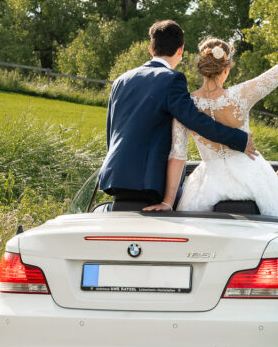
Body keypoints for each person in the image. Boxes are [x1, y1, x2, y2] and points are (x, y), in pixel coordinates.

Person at [164, 10, 278, 217]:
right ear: (226, 69)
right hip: (252, 179)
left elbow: (177, 156)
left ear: (201, 68)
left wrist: (167, 202)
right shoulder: (240, 96)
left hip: (207, 185)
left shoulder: (185, 105)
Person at [98, 20, 256, 211]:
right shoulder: (172, 79)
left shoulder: (121, 80)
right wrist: (239, 139)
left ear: (151, 49)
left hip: (115, 176)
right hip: (150, 182)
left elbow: (111, 130)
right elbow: (195, 120)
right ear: (180, 50)